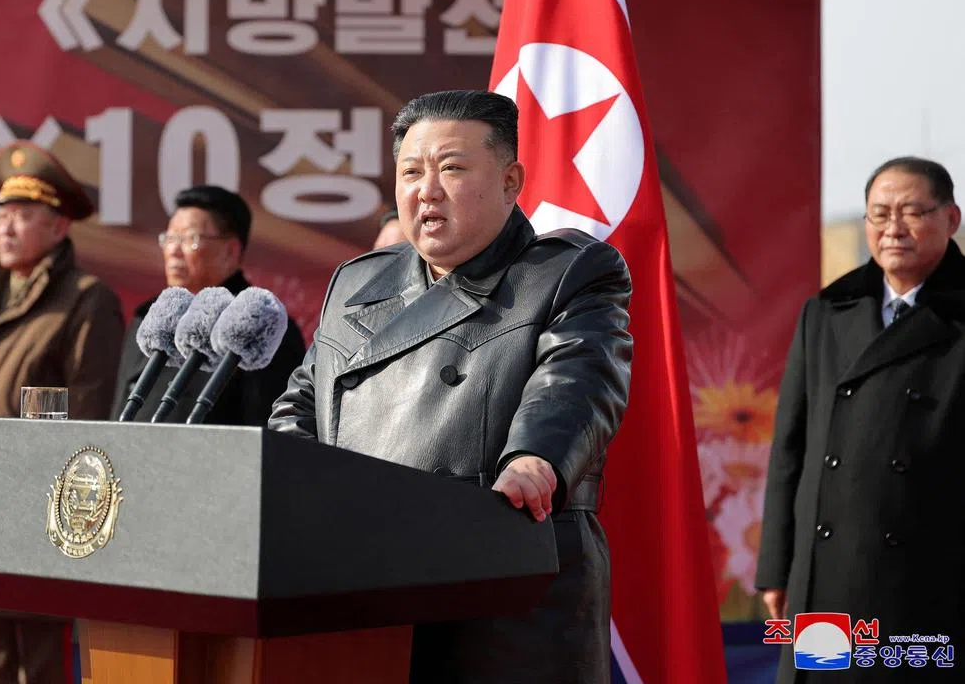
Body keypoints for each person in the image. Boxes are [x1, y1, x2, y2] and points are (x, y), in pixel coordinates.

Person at [268, 90, 633, 683]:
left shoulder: (567, 272)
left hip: (500, 587)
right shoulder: (359, 282)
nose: (426, 190)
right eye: (410, 172)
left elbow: (576, 384)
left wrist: (534, 460)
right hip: (360, 583)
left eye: (452, 168)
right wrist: (286, 483)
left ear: (511, 181)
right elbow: (302, 403)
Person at [756, 156, 965, 683]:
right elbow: (791, 448)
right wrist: (778, 566)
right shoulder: (828, 311)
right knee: (828, 674)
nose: (894, 227)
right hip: (826, 570)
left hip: (930, 571)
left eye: (913, 211)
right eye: (880, 214)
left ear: (951, 219)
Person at [0, 141, 124, 684]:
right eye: (3, 214)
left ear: (59, 228)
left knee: (40, 657)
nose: (7, 227)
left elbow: (87, 419)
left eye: (24, 216)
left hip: (40, 510)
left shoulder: (87, 300)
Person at [112, 185, 306, 426]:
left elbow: (271, 434)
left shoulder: (258, 327)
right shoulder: (150, 321)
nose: (173, 250)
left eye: (189, 239)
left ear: (230, 250)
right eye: (169, 238)